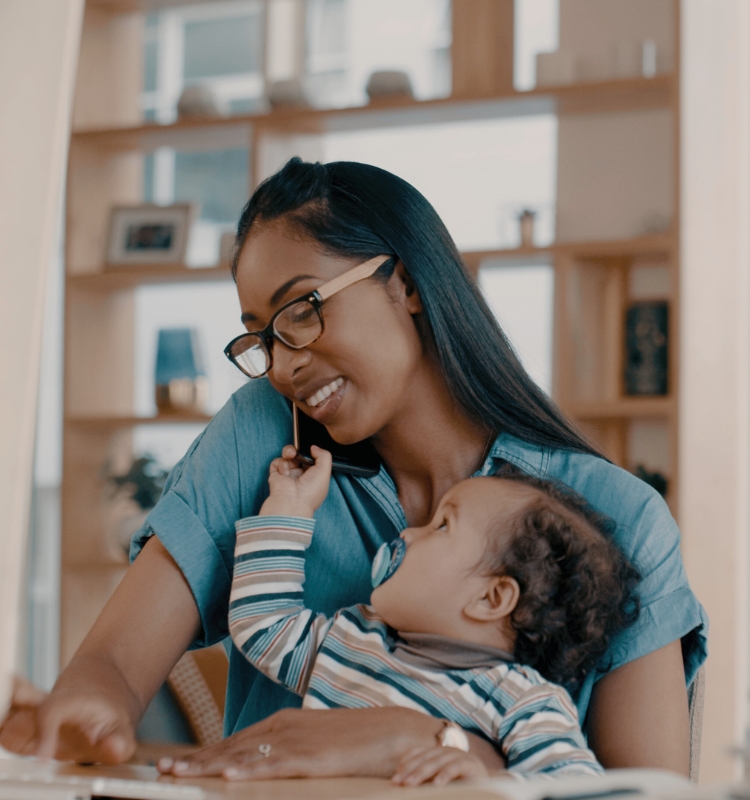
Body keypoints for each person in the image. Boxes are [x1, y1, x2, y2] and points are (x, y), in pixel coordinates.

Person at [0, 158, 707, 780]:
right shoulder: (268, 438)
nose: (282, 365)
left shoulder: (618, 518)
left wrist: (419, 740)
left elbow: (639, 792)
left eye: (301, 311)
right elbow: (114, 664)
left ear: (406, 283)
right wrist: (91, 706)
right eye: (260, 338)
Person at [231, 443, 639, 784]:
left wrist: (487, 783)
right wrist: (289, 506)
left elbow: (577, 787)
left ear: (491, 598)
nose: (407, 534)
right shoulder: (352, 639)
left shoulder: (520, 700)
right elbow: (263, 627)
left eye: (441, 525)